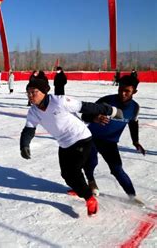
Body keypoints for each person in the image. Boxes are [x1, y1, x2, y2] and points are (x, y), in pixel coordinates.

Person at [20, 79, 124, 216]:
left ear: (44, 92)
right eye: (28, 93)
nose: (30, 95)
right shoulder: (33, 111)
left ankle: (89, 198)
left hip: (81, 138)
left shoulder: (59, 101)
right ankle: (80, 187)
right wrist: (24, 145)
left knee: (72, 172)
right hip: (64, 143)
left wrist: (111, 110)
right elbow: (29, 129)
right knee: (66, 174)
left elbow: (86, 107)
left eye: (34, 92)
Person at [81, 75, 145, 203]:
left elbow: (133, 123)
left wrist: (136, 141)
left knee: (117, 169)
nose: (123, 93)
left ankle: (132, 195)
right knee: (91, 162)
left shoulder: (135, 108)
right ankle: (91, 181)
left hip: (110, 142)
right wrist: (94, 118)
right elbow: (84, 115)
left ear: (134, 92)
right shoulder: (106, 101)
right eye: (120, 89)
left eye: (127, 91)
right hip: (91, 137)